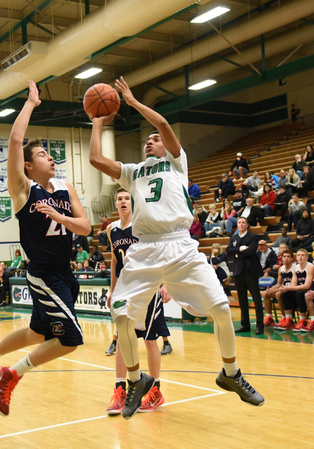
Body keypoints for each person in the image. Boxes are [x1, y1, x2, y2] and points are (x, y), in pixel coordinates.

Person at [89, 76, 263, 419]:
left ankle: (230, 373)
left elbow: (164, 123)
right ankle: (137, 381)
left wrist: (134, 102)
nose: (151, 141)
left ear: (167, 148)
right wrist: (97, 122)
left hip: (181, 246)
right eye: (147, 140)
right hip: (146, 249)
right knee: (120, 316)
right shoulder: (133, 172)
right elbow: (96, 159)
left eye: (155, 139)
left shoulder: (177, 164)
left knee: (222, 308)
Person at [0, 80, 91, 416]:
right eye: (41, 155)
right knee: (70, 340)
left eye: (49, 154)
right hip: (44, 274)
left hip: (65, 273)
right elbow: (15, 141)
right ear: (27, 166)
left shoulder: (66, 189)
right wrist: (31, 103)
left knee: (38, 332)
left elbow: (86, 227)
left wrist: (59, 216)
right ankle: (9, 374)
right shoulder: (23, 190)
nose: (50, 158)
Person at [105, 189, 171, 416]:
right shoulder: (111, 229)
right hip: (125, 291)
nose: (123, 201)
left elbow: (161, 253)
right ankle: (120, 390)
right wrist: (112, 292)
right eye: (120, 198)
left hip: (147, 288)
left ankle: (155, 391)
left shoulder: (144, 225)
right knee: (123, 339)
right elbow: (115, 261)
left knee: (151, 341)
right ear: (115, 203)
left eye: (127, 198)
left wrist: (165, 283)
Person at [227, 217, 265, 334]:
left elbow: (251, 251)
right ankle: (245, 325)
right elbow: (229, 251)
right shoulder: (233, 238)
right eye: (239, 223)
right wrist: (241, 249)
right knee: (242, 300)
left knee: (256, 299)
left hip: (251, 272)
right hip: (238, 272)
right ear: (237, 225)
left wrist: (237, 253)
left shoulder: (253, 237)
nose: (241, 224)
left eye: (243, 222)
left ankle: (260, 325)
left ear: (247, 225)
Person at [277, 249, 314, 331]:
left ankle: (303, 320)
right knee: (284, 293)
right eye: (298, 255)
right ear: (296, 258)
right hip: (300, 290)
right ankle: (289, 320)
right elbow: (293, 284)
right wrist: (285, 288)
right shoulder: (295, 268)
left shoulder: (310, 266)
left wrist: (288, 287)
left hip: (312, 290)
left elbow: (307, 285)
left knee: (299, 293)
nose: (300, 257)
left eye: (302, 255)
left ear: (307, 257)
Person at [262, 249, 295, 328]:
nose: (286, 258)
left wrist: (276, 290)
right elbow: (279, 284)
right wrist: (271, 289)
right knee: (265, 293)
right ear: (282, 258)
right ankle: (269, 317)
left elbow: (293, 284)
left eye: (288, 257)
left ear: (292, 259)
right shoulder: (281, 268)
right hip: (282, 288)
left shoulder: (295, 268)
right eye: (284, 257)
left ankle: (284, 318)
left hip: (291, 290)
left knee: (278, 294)